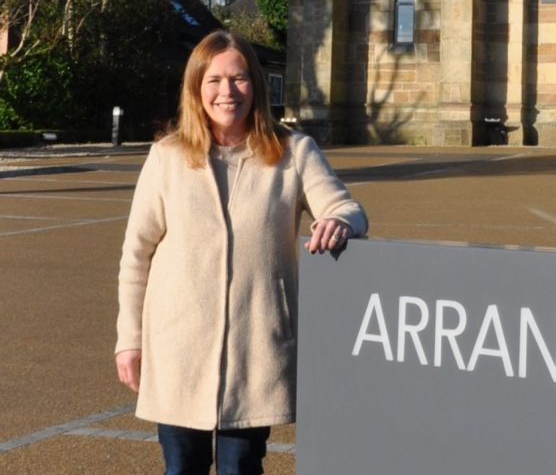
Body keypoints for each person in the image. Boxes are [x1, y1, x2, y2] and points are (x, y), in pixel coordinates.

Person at [114, 31, 368, 475]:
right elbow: (136, 257)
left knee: (241, 466)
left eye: (239, 79)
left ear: (256, 86)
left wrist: (340, 221)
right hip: (178, 348)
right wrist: (129, 341)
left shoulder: (294, 153)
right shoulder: (166, 157)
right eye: (213, 80)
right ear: (196, 88)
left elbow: (348, 208)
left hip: (256, 348)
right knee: (182, 468)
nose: (226, 92)